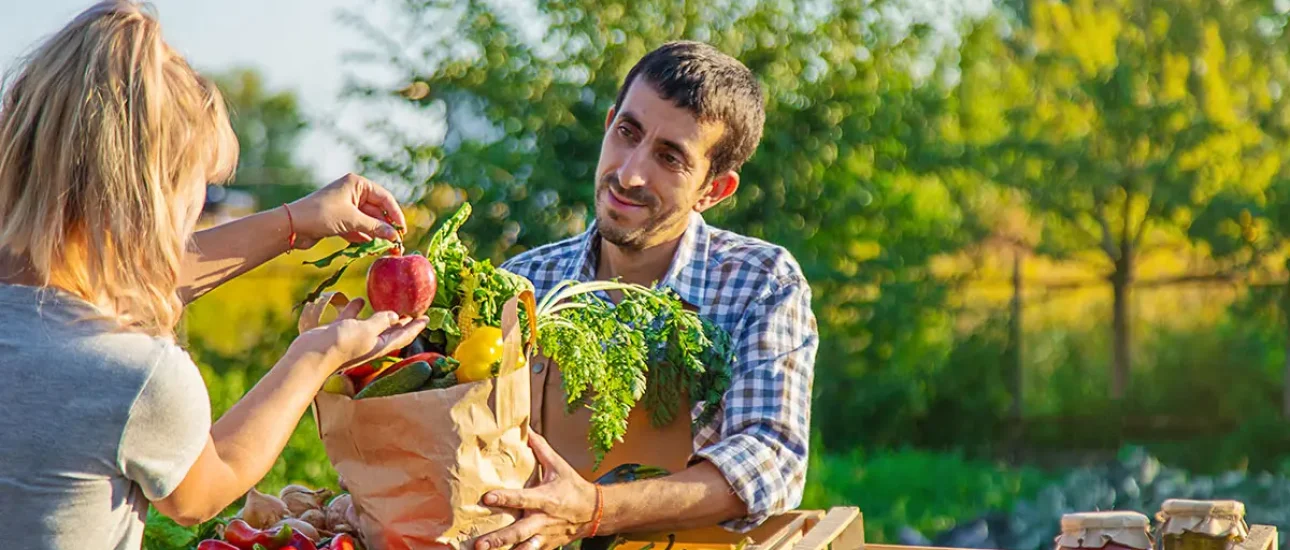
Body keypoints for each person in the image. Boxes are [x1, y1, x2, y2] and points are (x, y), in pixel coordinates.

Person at [0, 2, 429, 548]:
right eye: (200, 187)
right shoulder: (134, 377)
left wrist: (294, 222)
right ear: (152, 198)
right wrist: (316, 356)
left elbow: (85, 293)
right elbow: (205, 489)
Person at [478, 41, 818, 550]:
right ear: (610, 121)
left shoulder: (759, 282)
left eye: (670, 157)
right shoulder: (523, 281)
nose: (630, 173)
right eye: (627, 133)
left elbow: (770, 458)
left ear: (714, 189)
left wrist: (595, 511)